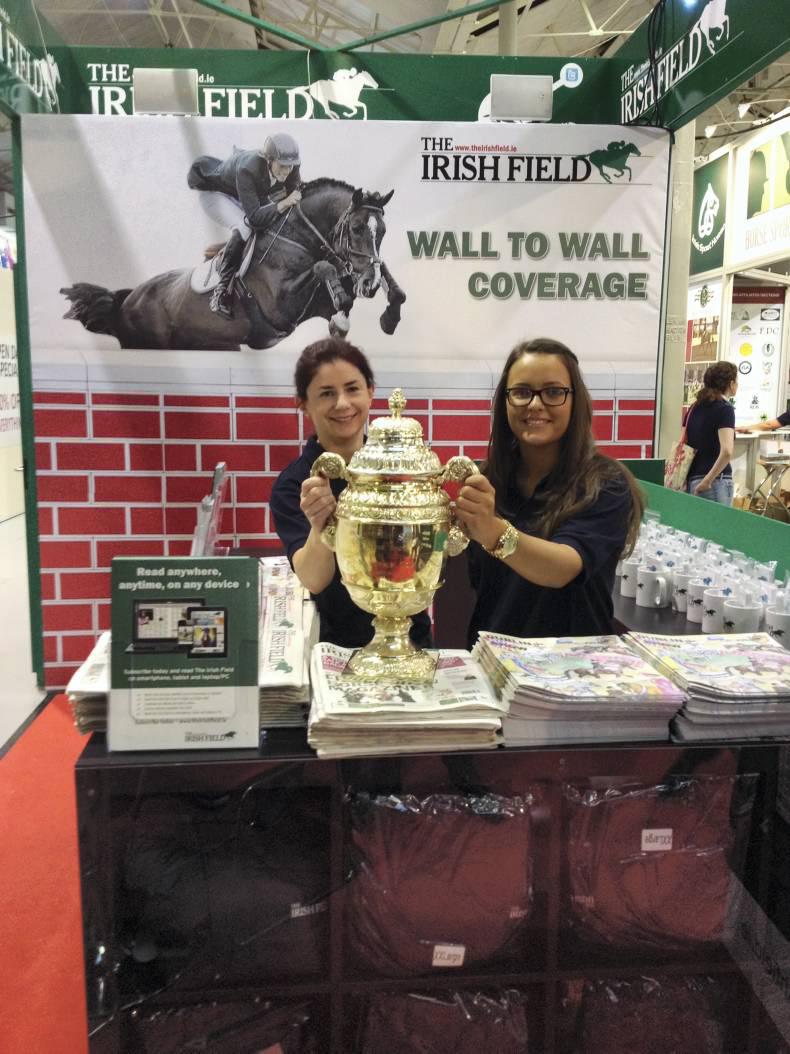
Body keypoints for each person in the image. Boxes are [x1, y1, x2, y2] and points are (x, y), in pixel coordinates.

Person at [457, 338, 643, 647]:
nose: (535, 404)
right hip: (493, 659)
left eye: (554, 392)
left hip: (573, 667)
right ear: (505, 401)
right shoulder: (489, 480)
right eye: (521, 392)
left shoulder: (604, 483)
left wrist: (493, 531)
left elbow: (563, 568)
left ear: (575, 401)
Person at [270, 337, 431, 650]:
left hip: (409, 641)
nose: (342, 403)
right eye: (327, 393)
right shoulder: (295, 485)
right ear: (303, 404)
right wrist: (320, 523)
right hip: (335, 648)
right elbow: (314, 579)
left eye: (352, 388)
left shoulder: (401, 466)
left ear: (370, 392)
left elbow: (427, 549)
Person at [187, 133, 304, 319]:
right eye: (281, 166)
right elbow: (255, 218)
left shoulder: (292, 166)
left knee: (276, 220)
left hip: (247, 193)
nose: (286, 171)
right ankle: (221, 292)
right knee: (244, 227)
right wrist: (283, 203)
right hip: (216, 194)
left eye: (289, 166)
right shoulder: (247, 170)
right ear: (269, 161)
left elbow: (297, 198)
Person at [685, 361, 738, 505]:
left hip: (692, 478)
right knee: (719, 520)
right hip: (715, 482)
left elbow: (685, 441)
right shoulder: (725, 409)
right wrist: (707, 481)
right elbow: (727, 451)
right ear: (731, 383)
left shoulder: (694, 408)